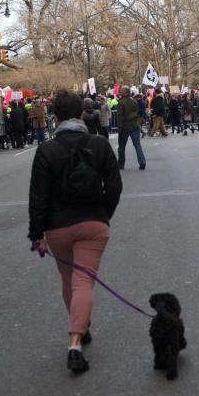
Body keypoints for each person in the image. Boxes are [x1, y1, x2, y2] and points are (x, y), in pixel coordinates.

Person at [28, 90, 122, 373]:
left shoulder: (46, 150)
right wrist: (104, 214)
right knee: (83, 281)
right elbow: (115, 186)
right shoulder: (99, 144)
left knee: (70, 280)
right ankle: (75, 341)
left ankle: (79, 331)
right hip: (93, 223)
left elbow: (38, 196)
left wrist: (36, 235)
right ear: (82, 113)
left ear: (54, 117)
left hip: (57, 226)